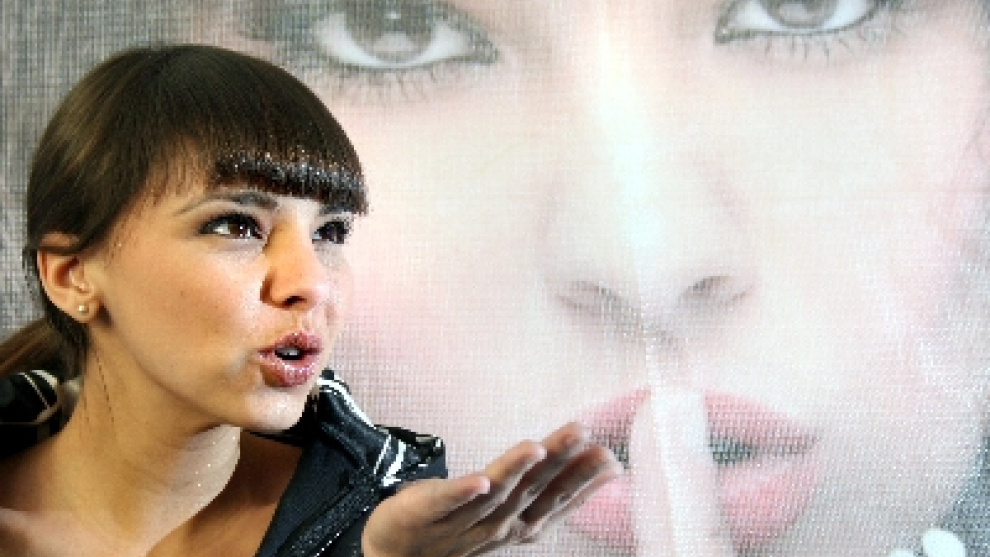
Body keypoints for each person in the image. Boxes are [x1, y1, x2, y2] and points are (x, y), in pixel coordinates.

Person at [0, 43, 621, 557]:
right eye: (236, 225)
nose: (313, 282)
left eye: (331, 233)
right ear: (72, 277)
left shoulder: (381, 526)